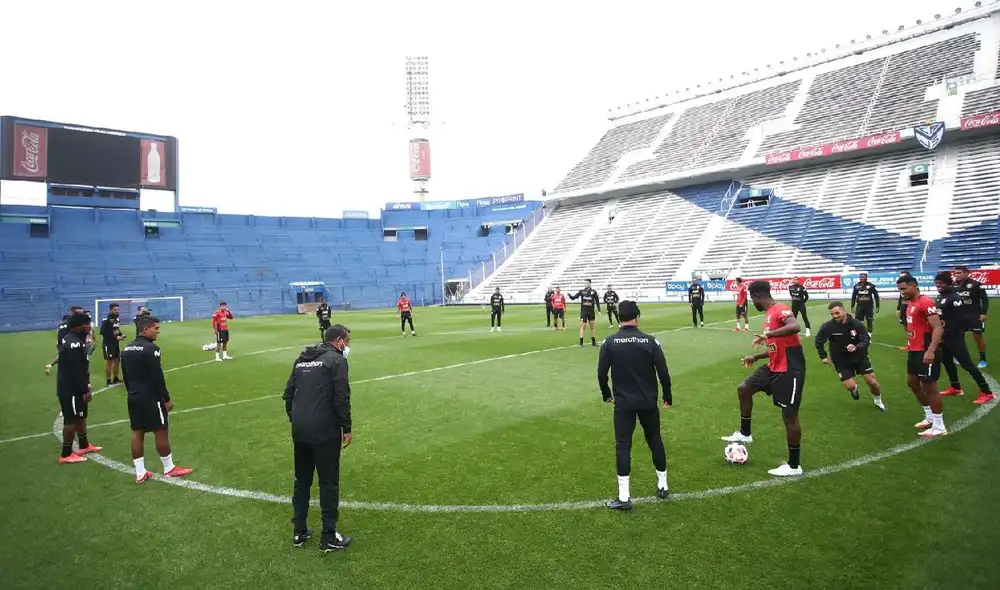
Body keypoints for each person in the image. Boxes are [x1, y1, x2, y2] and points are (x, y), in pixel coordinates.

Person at [722, 280, 805, 477]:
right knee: (744, 388)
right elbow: (777, 346)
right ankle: (745, 433)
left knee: (789, 416)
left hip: (789, 369)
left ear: (757, 296)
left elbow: (794, 326)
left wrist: (768, 335)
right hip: (773, 365)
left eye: (752, 298)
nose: (752, 302)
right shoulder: (769, 314)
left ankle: (794, 466)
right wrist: (756, 356)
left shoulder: (780, 309)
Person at [283, 324, 354, 551]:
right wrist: (347, 427)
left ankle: (299, 532)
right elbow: (341, 396)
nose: (348, 345)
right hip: (324, 431)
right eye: (347, 341)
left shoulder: (302, 359)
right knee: (328, 482)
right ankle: (329, 536)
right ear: (339, 340)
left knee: (302, 481)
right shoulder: (336, 361)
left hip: (300, 429)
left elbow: (288, 395)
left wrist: (296, 420)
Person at [597, 301, 671, 510]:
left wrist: (607, 394)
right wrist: (667, 396)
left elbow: (601, 373)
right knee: (655, 440)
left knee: (623, 446)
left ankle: (624, 497)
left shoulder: (609, 342)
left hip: (623, 403)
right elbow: (663, 373)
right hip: (648, 402)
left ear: (619, 318)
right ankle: (663, 486)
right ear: (637, 317)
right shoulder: (650, 341)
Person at [121, 315, 195, 483]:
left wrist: (131, 391)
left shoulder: (126, 349)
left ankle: (140, 472)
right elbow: (157, 376)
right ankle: (169, 468)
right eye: (156, 328)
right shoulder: (151, 348)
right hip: (150, 396)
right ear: (145, 329)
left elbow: (125, 376)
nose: (158, 331)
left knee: (137, 432)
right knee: (161, 429)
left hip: (133, 395)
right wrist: (166, 398)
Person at [897, 274, 947, 437]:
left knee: (930, 387)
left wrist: (931, 350)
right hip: (914, 350)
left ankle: (939, 426)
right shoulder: (911, 303)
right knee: (912, 382)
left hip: (926, 350)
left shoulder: (925, 302)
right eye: (899, 289)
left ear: (914, 285)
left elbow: (938, 328)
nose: (901, 292)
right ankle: (930, 417)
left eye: (904, 289)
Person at [935, 272, 995, 404]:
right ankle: (955, 387)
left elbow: (958, 320)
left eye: (941, 283)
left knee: (966, 363)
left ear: (949, 284)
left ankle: (987, 392)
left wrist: (946, 334)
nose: (938, 286)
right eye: (937, 283)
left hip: (954, 336)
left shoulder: (954, 298)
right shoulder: (940, 297)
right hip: (944, 336)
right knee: (947, 361)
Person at [815, 302, 885, 411]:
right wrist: (823, 356)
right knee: (850, 386)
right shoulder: (827, 326)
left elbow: (866, 339)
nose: (835, 316)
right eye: (832, 314)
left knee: (872, 382)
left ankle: (878, 401)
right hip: (840, 360)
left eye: (837, 313)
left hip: (859, 357)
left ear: (844, 311)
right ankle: (854, 389)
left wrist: (857, 347)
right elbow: (819, 341)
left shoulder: (856, 324)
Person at [56, 313, 103, 464]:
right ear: (78, 325)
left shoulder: (75, 339)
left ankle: (83, 445)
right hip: (71, 388)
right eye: (87, 324)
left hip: (75, 385)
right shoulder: (73, 343)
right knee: (71, 419)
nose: (89, 327)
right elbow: (76, 369)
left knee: (80, 416)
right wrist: (84, 389)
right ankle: (66, 453)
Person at [953, 266, 989, 368]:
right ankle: (961, 356)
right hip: (959, 315)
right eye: (955, 273)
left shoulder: (975, 284)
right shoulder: (953, 285)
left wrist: (983, 313)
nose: (957, 275)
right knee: (958, 337)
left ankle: (983, 359)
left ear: (966, 273)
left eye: (959, 273)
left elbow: (984, 299)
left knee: (977, 336)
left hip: (974, 314)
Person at [44, 306, 85, 376]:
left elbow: (59, 333)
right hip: (68, 342)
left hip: (60, 342)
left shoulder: (61, 325)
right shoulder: (71, 323)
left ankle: (50, 366)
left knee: (62, 356)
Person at [568, 279, 601, 347]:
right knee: (583, 326)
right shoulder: (581, 291)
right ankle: (581, 342)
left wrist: (599, 310)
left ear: (590, 284)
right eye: (585, 283)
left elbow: (597, 301)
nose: (585, 284)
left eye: (587, 283)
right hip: (584, 312)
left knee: (592, 326)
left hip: (591, 312)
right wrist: (570, 296)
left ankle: (593, 342)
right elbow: (574, 298)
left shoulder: (594, 292)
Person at [100, 303, 126, 386]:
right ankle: (108, 381)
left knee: (117, 361)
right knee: (109, 362)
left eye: (118, 309)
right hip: (108, 344)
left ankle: (116, 378)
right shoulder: (106, 319)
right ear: (110, 310)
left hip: (115, 344)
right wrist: (115, 337)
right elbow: (102, 332)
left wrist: (121, 334)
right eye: (115, 310)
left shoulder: (116, 319)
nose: (117, 311)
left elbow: (116, 330)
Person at [896, 271, 912, 351]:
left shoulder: (911, 286)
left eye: (903, 276)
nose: (901, 278)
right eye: (900, 276)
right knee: (906, 327)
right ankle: (910, 344)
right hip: (903, 309)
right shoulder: (901, 288)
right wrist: (898, 308)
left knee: (911, 327)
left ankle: (912, 344)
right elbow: (900, 298)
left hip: (910, 309)